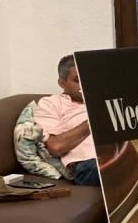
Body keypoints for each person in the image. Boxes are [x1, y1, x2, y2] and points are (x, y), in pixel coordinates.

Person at [34, 54, 99, 186]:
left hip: (116, 154)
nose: (86, 84)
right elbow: (56, 147)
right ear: (62, 83)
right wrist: (93, 120)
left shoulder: (102, 99)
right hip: (88, 164)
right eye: (78, 80)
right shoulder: (51, 103)